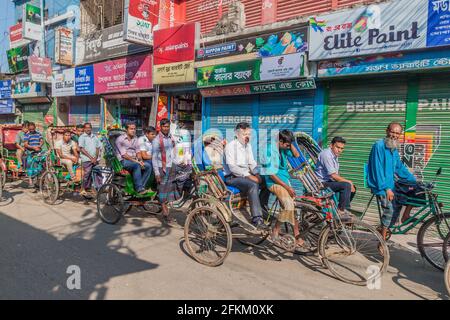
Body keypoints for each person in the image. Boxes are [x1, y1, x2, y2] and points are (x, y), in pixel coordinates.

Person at [367, 122, 417, 242]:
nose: (394, 135)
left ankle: (404, 217)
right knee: (389, 209)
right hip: (380, 186)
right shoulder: (378, 146)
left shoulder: (393, 148)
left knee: (415, 190)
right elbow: (377, 169)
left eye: (397, 133)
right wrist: (386, 188)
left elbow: (399, 167)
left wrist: (413, 180)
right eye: (392, 132)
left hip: (390, 185)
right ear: (387, 131)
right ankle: (382, 241)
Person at [263, 130, 306, 249]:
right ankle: (276, 230)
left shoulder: (283, 148)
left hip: (285, 180)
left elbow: (297, 155)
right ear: (280, 141)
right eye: (286, 144)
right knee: (288, 205)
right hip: (273, 182)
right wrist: (287, 187)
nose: (288, 147)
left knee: (294, 206)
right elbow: (271, 174)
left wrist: (290, 142)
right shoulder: (269, 151)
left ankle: (297, 235)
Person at [223, 122, 267, 230]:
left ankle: (261, 208)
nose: (247, 136)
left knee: (267, 181)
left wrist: (256, 173)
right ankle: (257, 219)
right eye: (244, 134)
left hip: (245, 175)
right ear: (237, 134)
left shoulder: (248, 146)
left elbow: (252, 162)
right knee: (253, 185)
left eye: (249, 134)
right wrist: (249, 176)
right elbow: (233, 168)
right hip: (232, 178)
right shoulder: (230, 147)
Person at [315, 136, 355, 220]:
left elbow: (336, 174)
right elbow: (333, 175)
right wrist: (348, 182)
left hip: (329, 182)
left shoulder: (334, 155)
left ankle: (343, 208)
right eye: (337, 147)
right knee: (347, 185)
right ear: (331, 145)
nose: (339, 150)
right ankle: (341, 210)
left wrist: (349, 183)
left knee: (353, 188)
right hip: (321, 183)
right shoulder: (326, 155)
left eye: (342, 148)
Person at [115, 122, 152, 195]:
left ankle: (141, 187)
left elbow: (138, 152)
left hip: (134, 160)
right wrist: (137, 162)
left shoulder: (135, 138)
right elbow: (124, 155)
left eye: (134, 129)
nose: (133, 130)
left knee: (148, 166)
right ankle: (139, 188)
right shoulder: (120, 139)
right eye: (131, 129)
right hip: (123, 161)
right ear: (126, 130)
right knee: (136, 165)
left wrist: (140, 160)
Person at [152, 118, 177, 223]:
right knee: (162, 189)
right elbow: (154, 157)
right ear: (161, 127)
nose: (166, 128)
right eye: (164, 126)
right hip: (161, 167)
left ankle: (165, 205)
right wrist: (157, 173)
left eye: (168, 126)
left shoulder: (171, 138)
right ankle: (165, 212)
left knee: (169, 188)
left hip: (171, 166)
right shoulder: (157, 140)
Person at [78, 123, 102, 196]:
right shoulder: (82, 137)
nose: (88, 129)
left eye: (89, 127)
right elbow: (81, 149)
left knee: (98, 172)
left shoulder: (94, 136)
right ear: (84, 129)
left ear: (91, 128)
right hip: (86, 159)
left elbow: (98, 147)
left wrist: (95, 157)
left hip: (95, 159)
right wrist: (91, 158)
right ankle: (83, 188)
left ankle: (99, 187)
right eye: (86, 128)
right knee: (87, 173)